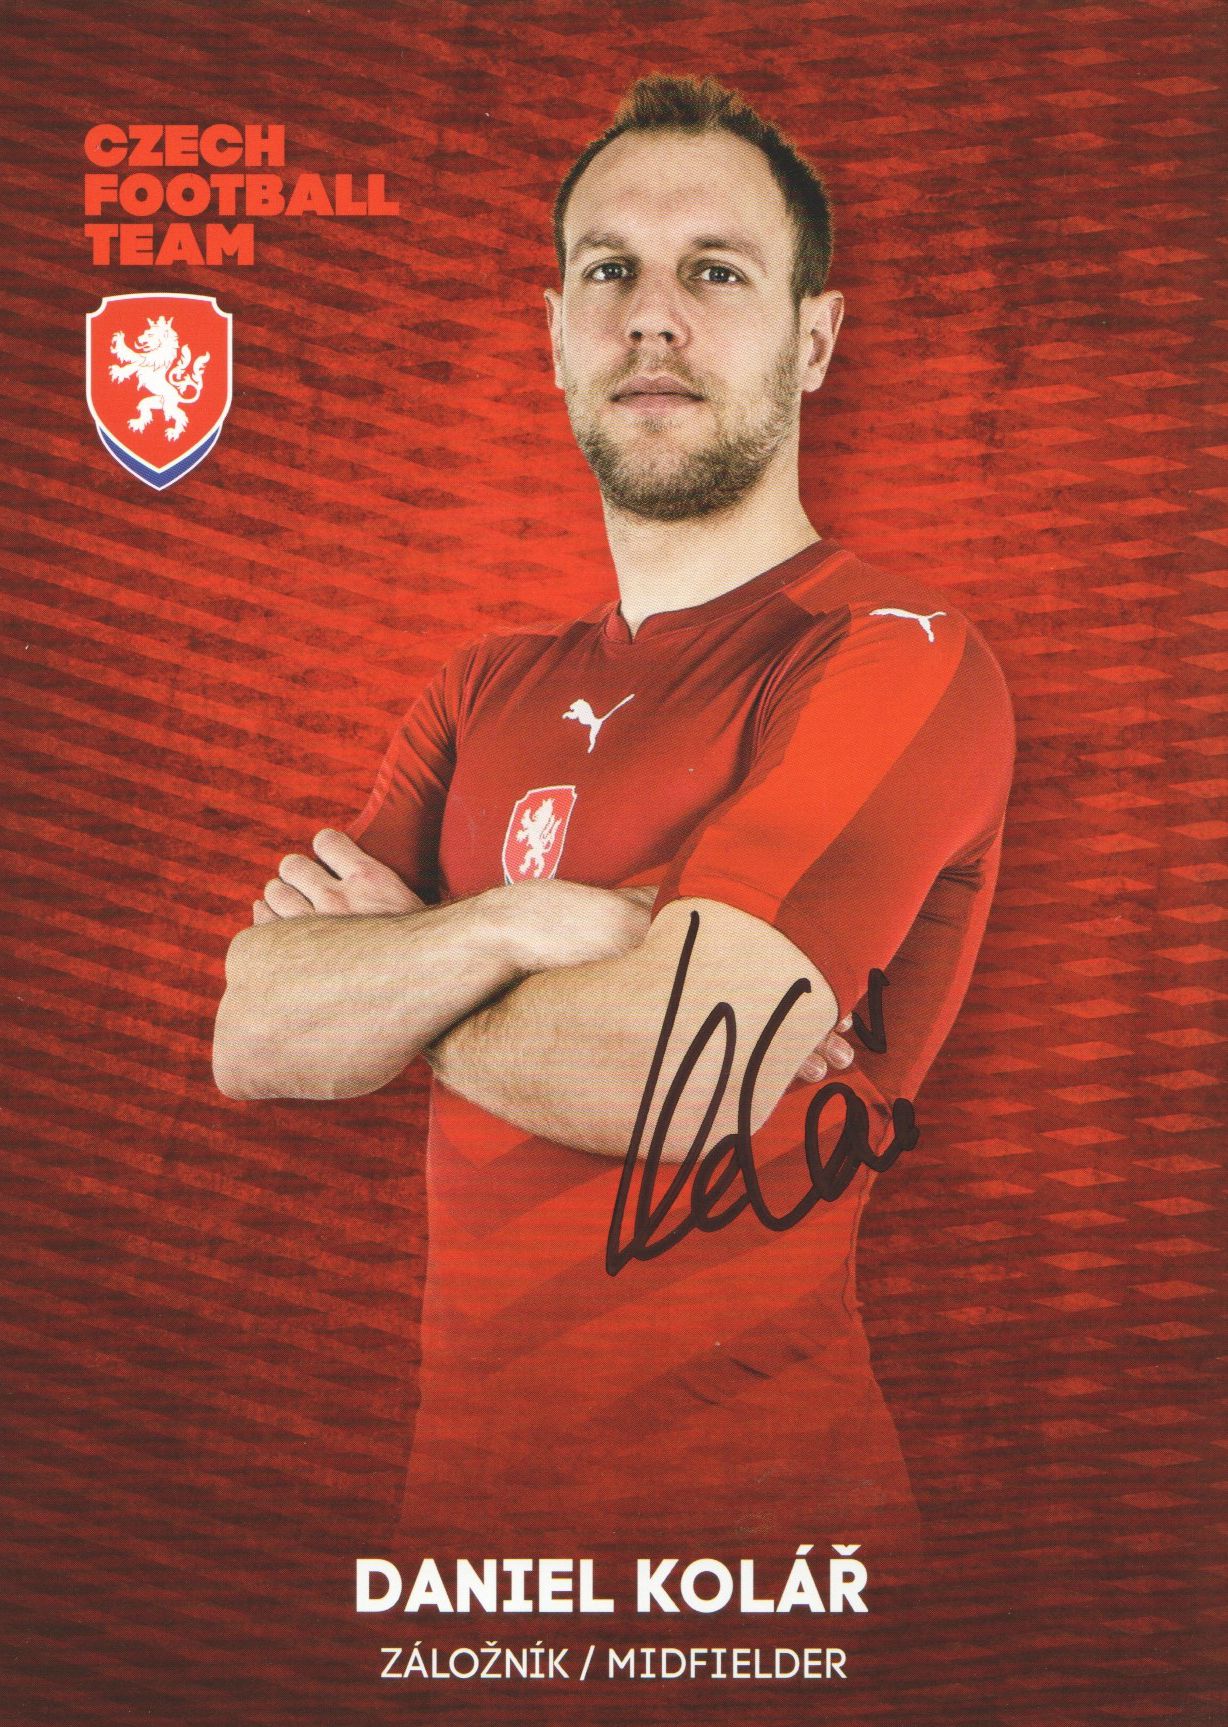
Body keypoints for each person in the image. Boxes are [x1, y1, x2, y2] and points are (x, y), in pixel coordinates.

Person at [213, 76, 1014, 1572]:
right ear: (554, 332)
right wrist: (527, 923)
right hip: (470, 1566)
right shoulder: (482, 686)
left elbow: (678, 1078)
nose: (652, 317)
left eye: (715, 272)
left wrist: (406, 978)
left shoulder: (896, 656)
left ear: (815, 338)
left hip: (779, 1568)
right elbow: (254, 1035)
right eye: (609, 271)